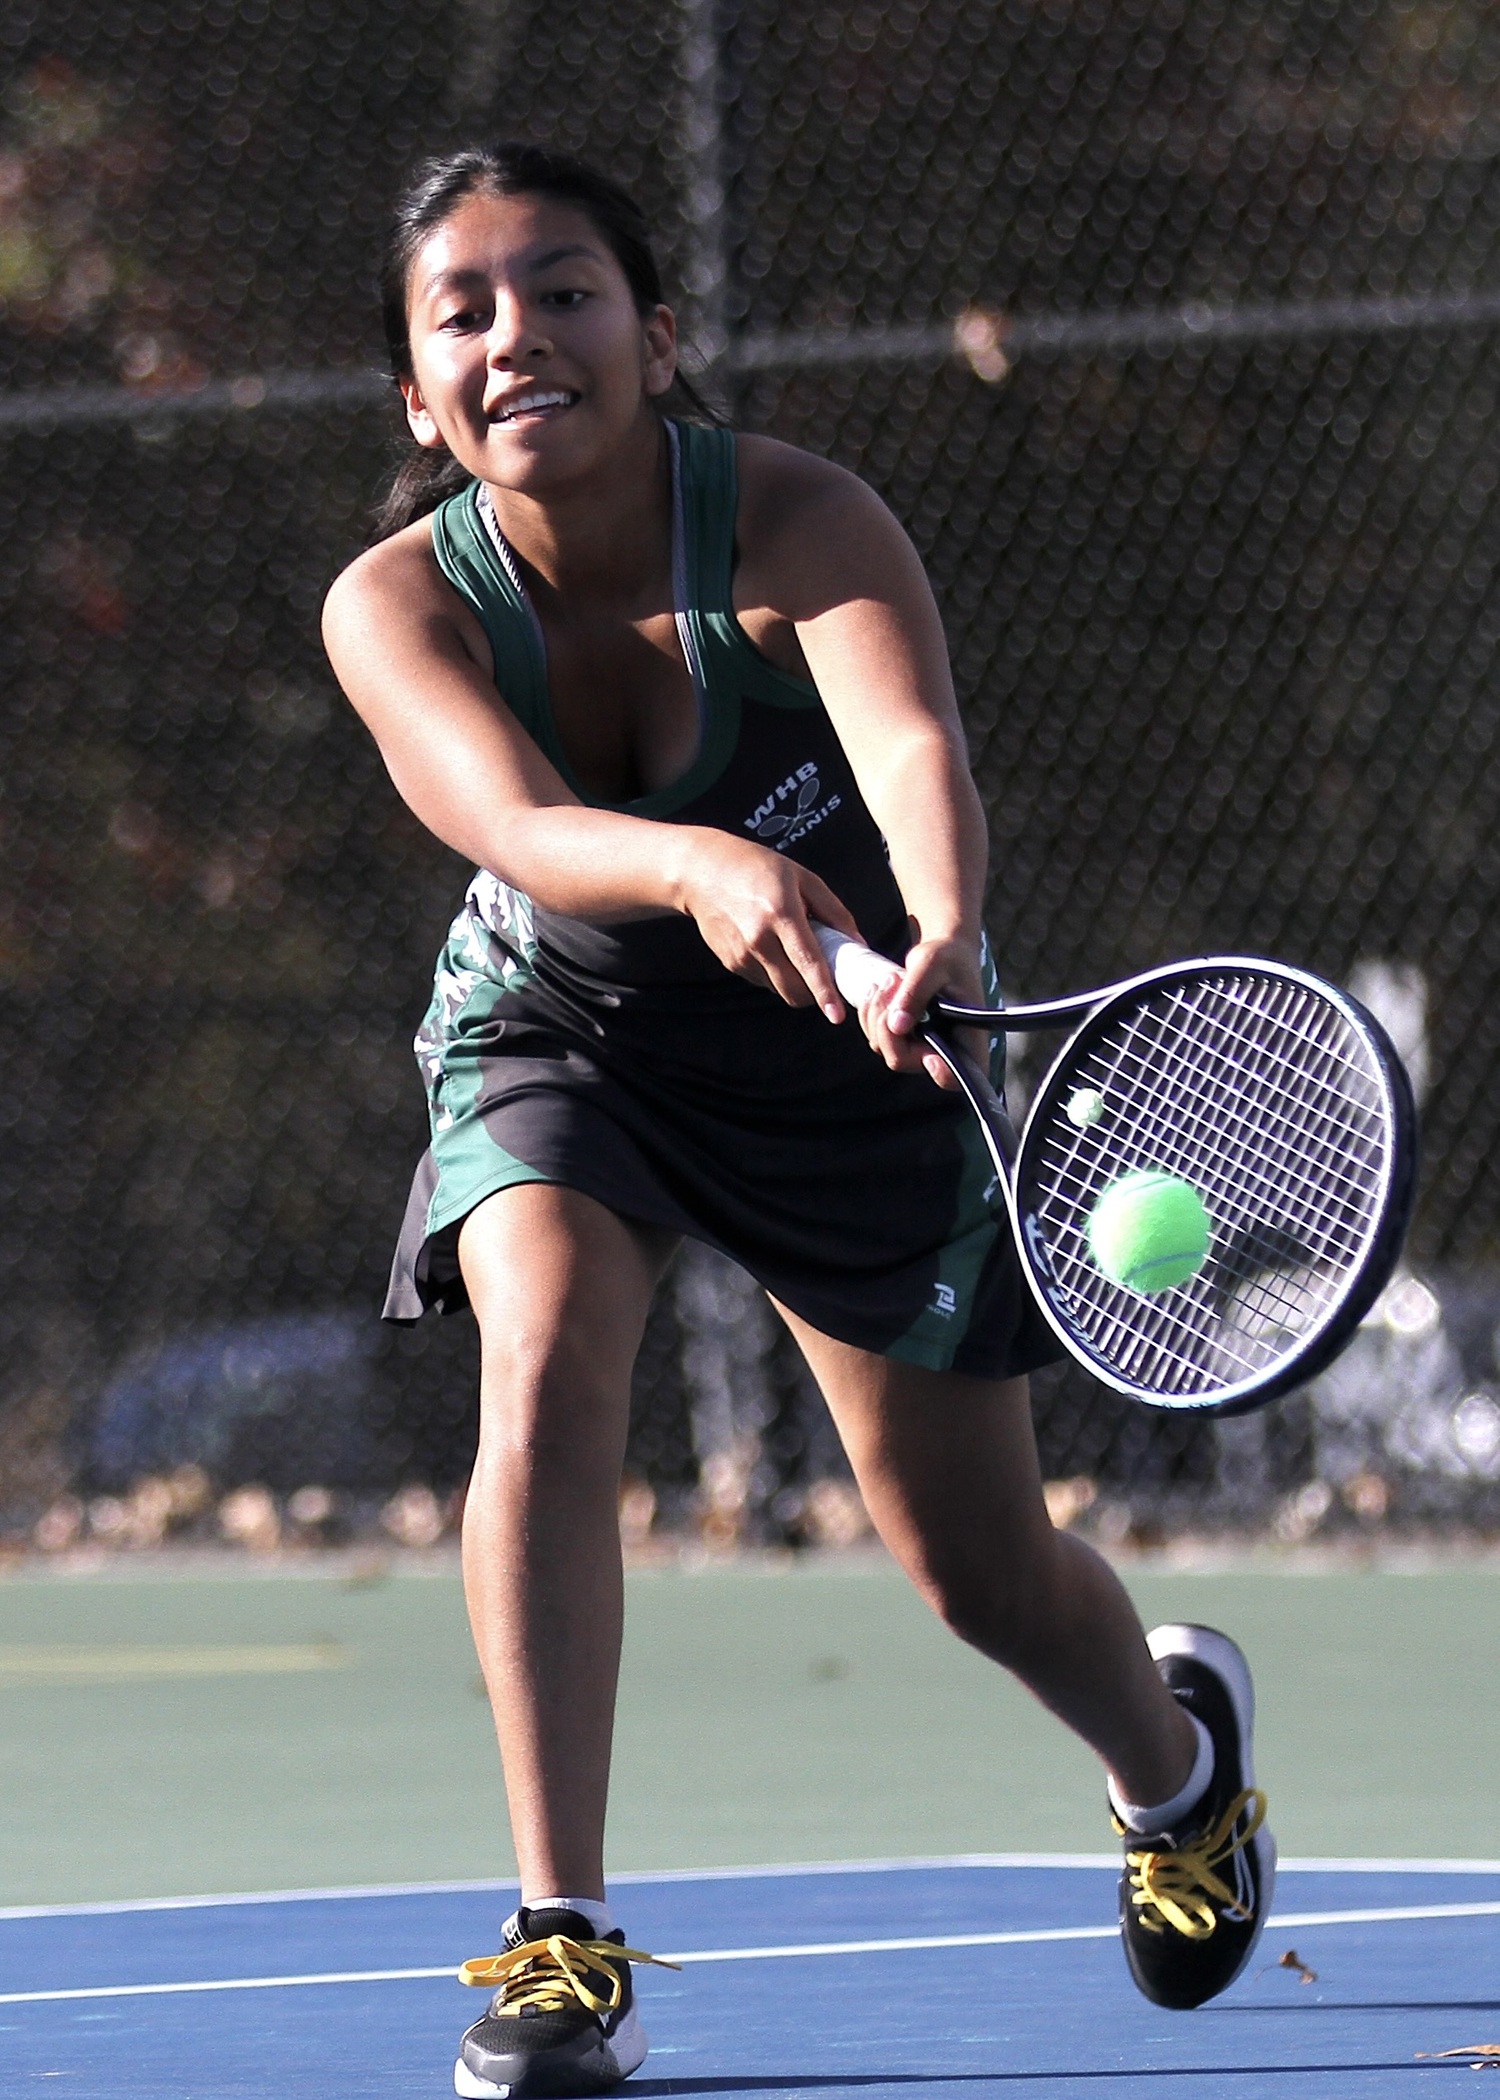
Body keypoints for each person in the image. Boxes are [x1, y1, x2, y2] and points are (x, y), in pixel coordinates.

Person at [322, 142, 1275, 2100]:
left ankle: (1175, 1770)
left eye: (565, 289)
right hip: (560, 1030)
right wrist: (694, 868)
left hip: (853, 1062)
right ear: (419, 397)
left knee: (975, 1568)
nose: (520, 335)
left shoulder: (795, 517)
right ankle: (562, 1940)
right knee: (550, 1364)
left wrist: (929, 921)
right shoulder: (395, 605)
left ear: (656, 337)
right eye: (466, 310)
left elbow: (911, 743)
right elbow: (513, 828)